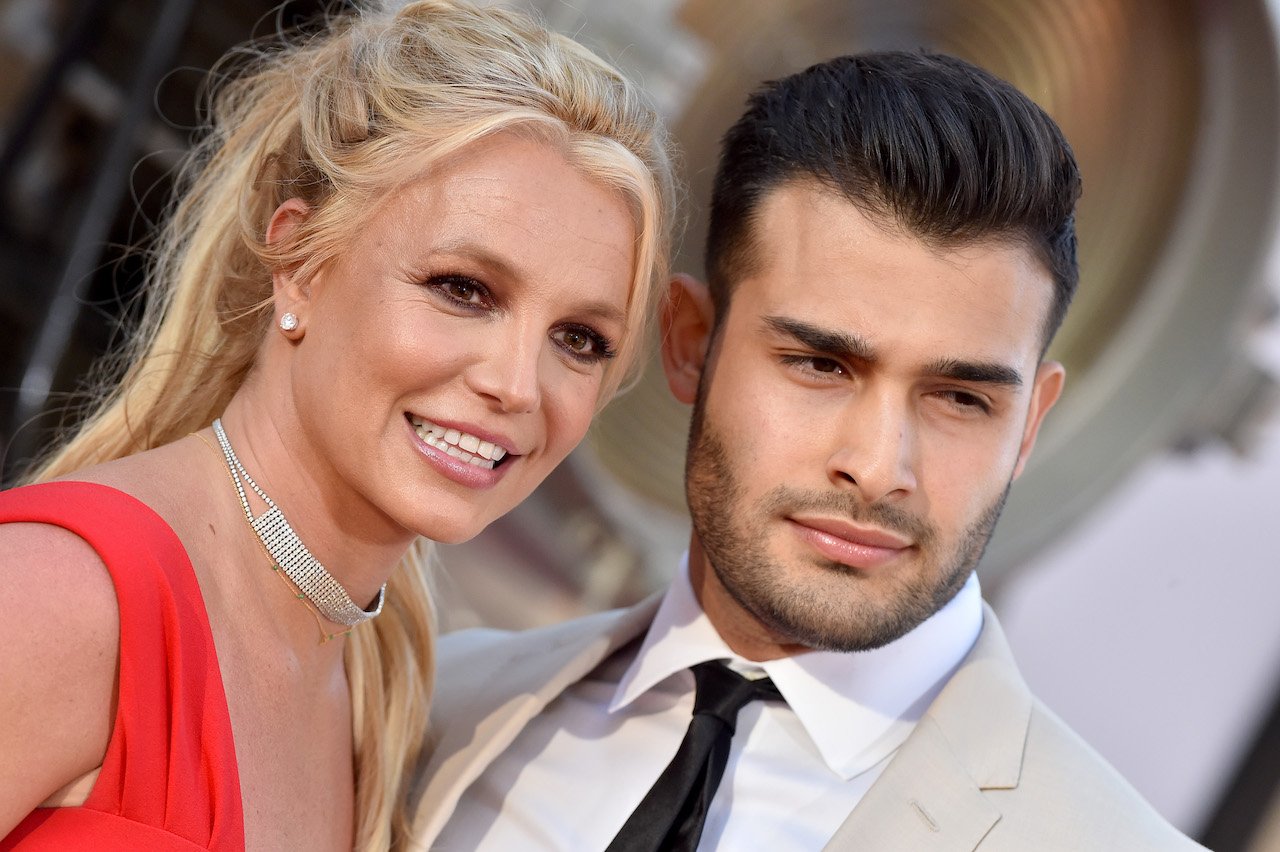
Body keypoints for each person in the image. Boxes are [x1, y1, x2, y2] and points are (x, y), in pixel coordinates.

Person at [410, 51, 1205, 850]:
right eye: (821, 366)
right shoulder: (445, 710)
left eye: (962, 398)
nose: (878, 466)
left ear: (1030, 424)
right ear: (691, 344)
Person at [0, 1, 676, 849]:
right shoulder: (62, 598)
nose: (516, 386)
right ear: (300, 266)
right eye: (463, 288)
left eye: (579, 341)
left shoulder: (378, 695)